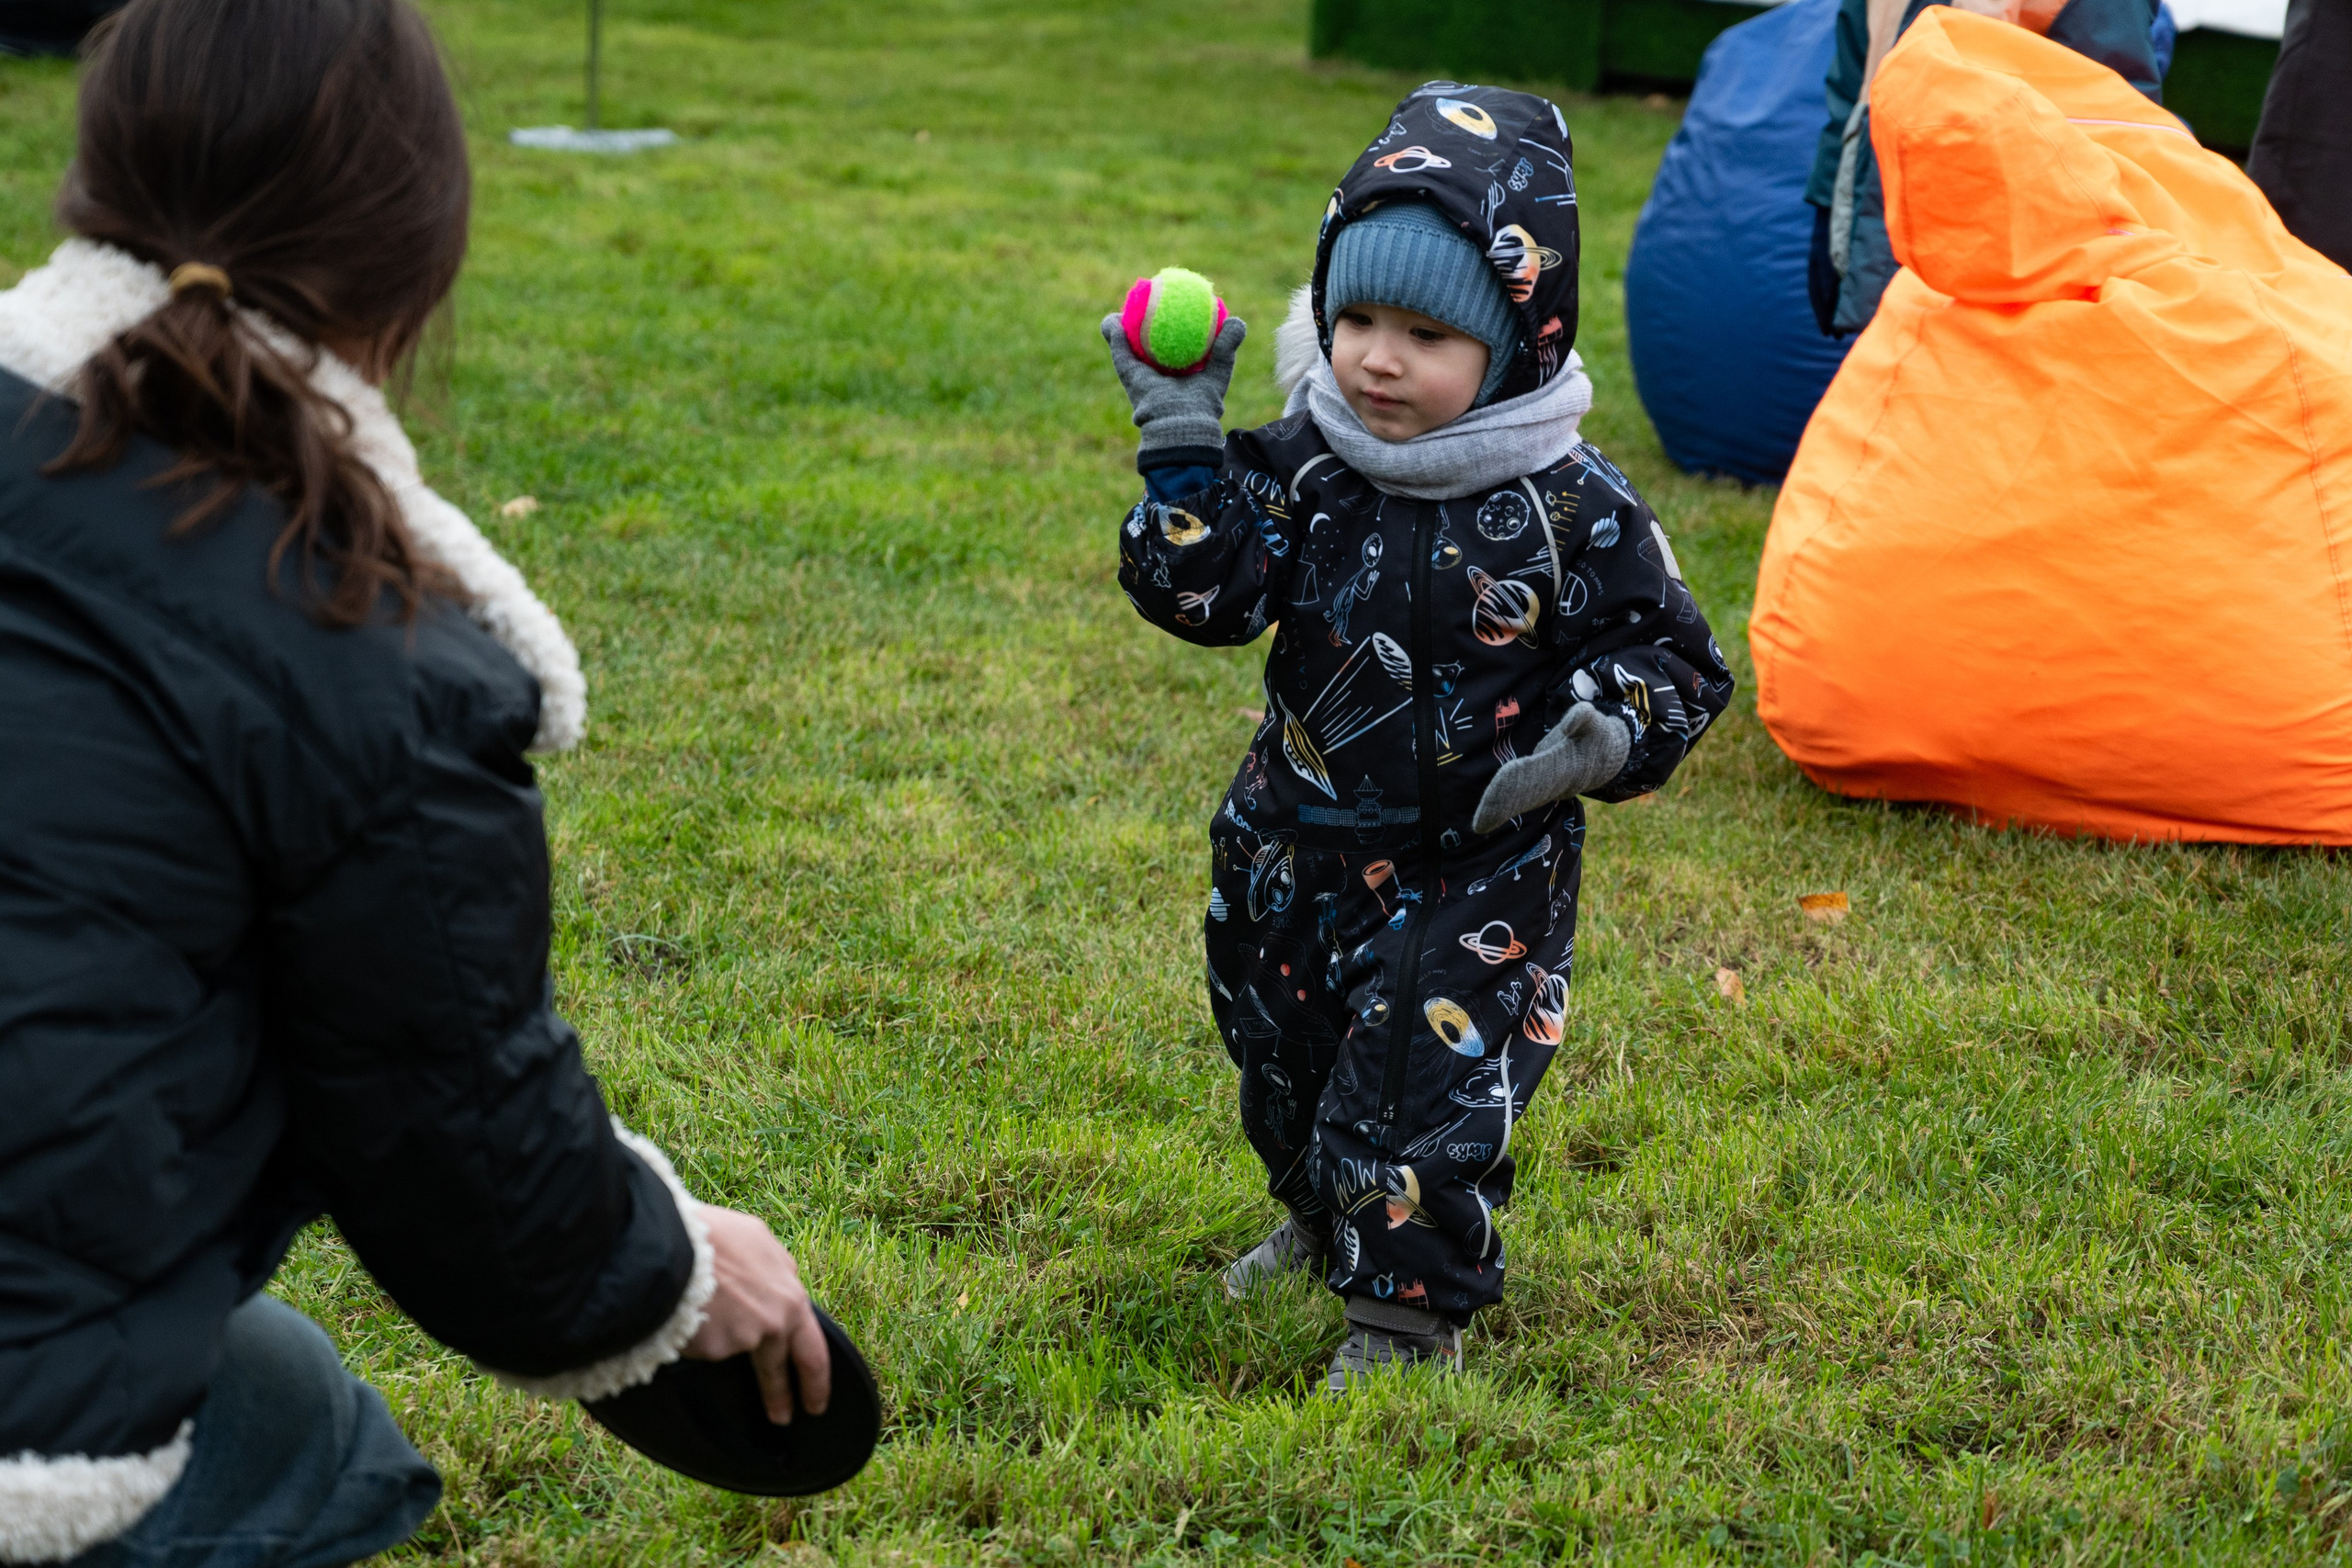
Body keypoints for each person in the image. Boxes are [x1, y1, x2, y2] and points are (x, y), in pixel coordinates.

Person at [0, 0, 827, 1561]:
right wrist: (681, 1267)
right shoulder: (368, 660)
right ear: (416, 258)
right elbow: (463, 1165)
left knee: (266, 1373)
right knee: (316, 1448)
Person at [1101, 84, 1734, 1393]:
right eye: (1356, 322)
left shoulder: (1572, 502)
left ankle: (1403, 1315)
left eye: (1427, 334)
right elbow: (1208, 599)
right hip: (1291, 838)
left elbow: (1674, 658)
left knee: (1419, 1082)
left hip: (1474, 861)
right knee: (1281, 1054)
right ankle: (1320, 1216)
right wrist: (1182, 453)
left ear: (1512, 344)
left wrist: (1597, 734)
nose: (1377, 361)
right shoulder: (1304, 462)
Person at [1802, 0, 2170, 336]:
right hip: (1883, 235)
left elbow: (2110, 123)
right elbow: (1854, 82)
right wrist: (1829, 206)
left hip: (2009, 270)